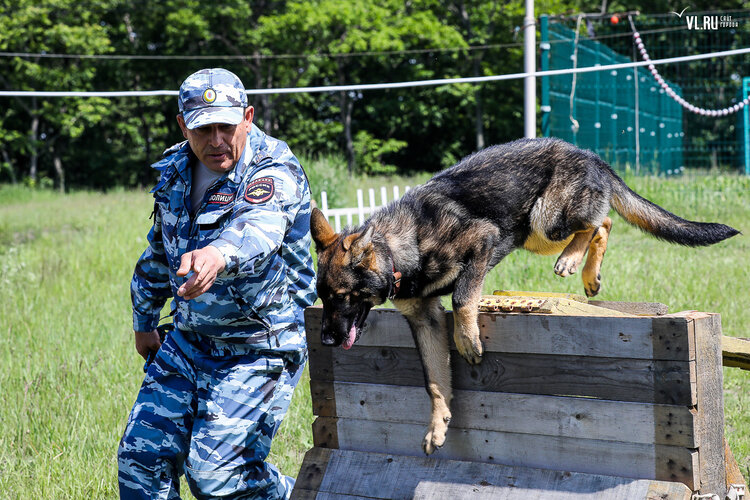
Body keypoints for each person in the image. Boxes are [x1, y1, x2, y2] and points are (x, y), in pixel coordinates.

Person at [118, 68, 316, 500]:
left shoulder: (273, 167)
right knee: (140, 464)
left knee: (216, 477)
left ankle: (305, 495)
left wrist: (217, 255)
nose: (217, 140)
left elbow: (258, 228)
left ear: (247, 117)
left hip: (260, 344)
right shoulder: (176, 169)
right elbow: (159, 249)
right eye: (203, 128)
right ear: (183, 125)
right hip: (190, 341)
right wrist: (144, 319)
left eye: (226, 126)